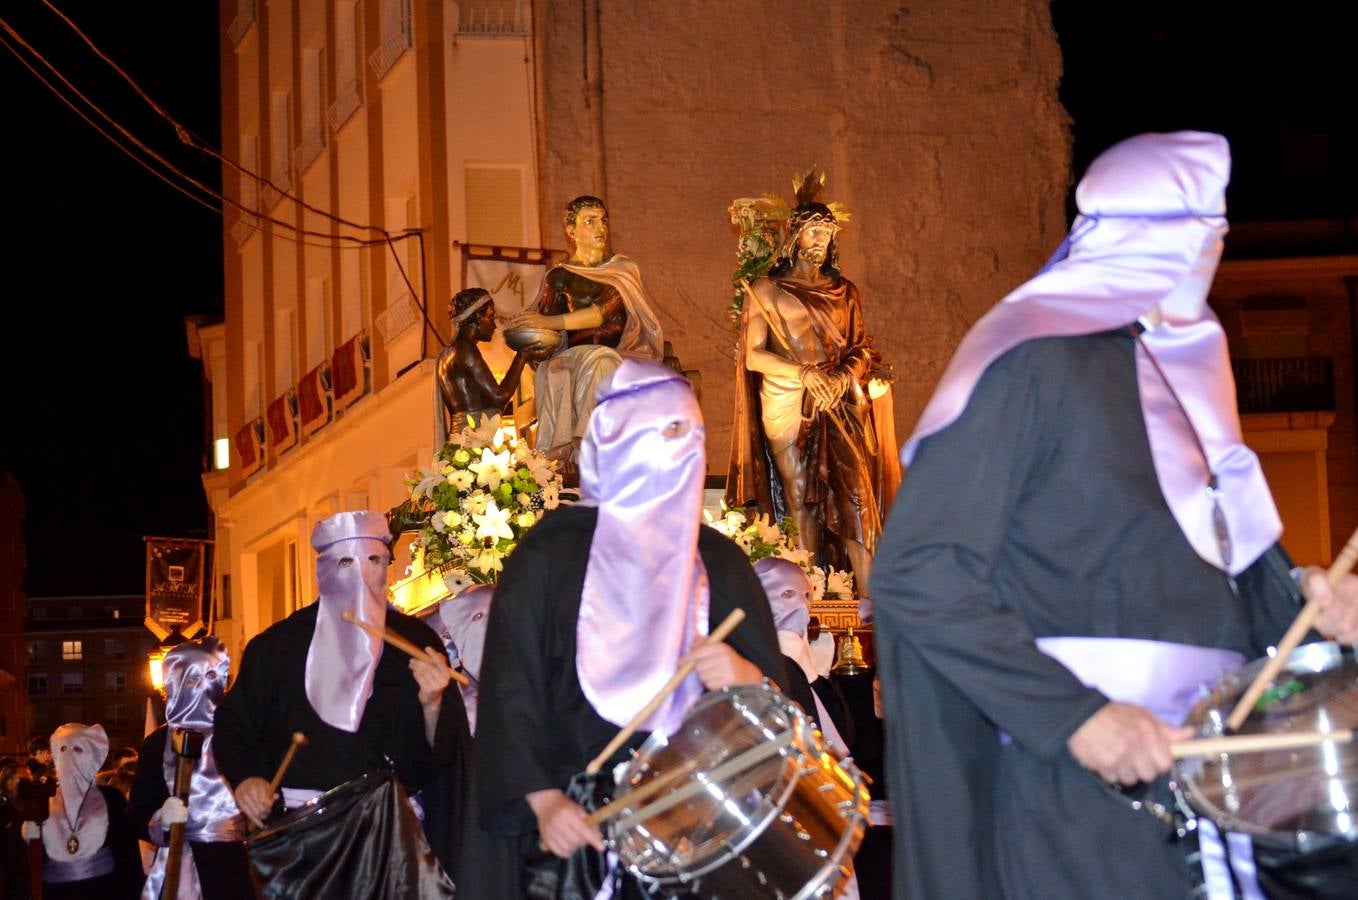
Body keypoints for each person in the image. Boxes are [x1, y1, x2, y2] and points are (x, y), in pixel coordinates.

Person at [870, 131, 1358, 899]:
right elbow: (918, 572)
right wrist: (1078, 719)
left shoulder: (1189, 381)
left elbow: (1229, 591)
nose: (1220, 245)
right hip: (1074, 792)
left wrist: (1318, 612)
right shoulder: (1033, 358)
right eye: (1205, 227)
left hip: (1213, 784)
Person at [475, 359, 804, 899]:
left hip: (702, 837)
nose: (688, 445)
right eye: (672, 430)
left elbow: (777, 718)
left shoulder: (718, 563)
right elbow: (511, 690)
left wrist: (744, 676)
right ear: (622, 438)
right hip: (581, 838)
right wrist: (542, 799)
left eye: (695, 432)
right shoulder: (552, 556)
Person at [213, 511, 465, 898]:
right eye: (346, 561)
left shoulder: (416, 644)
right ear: (324, 569)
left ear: (387, 567)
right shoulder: (276, 647)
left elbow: (436, 760)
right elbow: (235, 725)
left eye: (374, 560)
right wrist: (247, 779)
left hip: (390, 840)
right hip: (303, 845)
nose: (361, 575)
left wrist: (433, 704)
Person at [727, 194, 899, 610]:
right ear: (795, 235)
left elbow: (860, 346)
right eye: (814, 230)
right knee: (799, 491)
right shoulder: (766, 289)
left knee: (855, 490)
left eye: (827, 232)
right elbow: (755, 355)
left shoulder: (845, 291)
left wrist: (840, 376)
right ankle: (813, 594)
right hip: (787, 395)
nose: (821, 239)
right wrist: (804, 374)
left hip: (839, 399)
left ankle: (870, 597)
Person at [506, 195, 665, 463]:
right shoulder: (558, 277)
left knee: (601, 358)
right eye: (590, 222)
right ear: (571, 231)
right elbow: (546, 327)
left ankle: (587, 443)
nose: (600, 228)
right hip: (573, 357)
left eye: (603, 221)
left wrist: (549, 323)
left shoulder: (621, 271)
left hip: (623, 356)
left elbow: (600, 314)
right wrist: (530, 331)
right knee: (562, 367)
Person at [127, 636, 252, 900]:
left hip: (235, 867)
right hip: (179, 868)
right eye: (193, 680)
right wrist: (160, 819)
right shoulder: (157, 744)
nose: (203, 688)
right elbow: (137, 813)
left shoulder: (240, 735)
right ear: (177, 683)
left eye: (210, 677)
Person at [19, 723, 143, 899]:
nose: (69, 756)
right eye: (63, 749)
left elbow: (128, 856)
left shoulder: (111, 799)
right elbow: (29, 866)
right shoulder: (42, 798)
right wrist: (28, 839)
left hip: (103, 891)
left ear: (91, 755)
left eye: (77, 749)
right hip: (56, 893)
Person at [435, 287, 531, 434]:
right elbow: (500, 397)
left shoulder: (445, 355)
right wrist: (522, 355)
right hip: (474, 437)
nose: (494, 325)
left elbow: (491, 404)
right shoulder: (465, 349)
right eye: (491, 317)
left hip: (460, 437)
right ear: (478, 317)